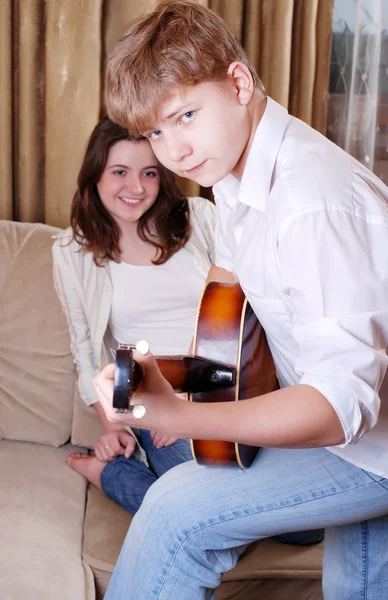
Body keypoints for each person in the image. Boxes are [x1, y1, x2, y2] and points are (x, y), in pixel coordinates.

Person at [93, 1, 388, 598]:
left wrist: (185, 415)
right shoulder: (234, 172)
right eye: (154, 131)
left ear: (238, 82)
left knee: (175, 514)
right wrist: (173, 376)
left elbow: (341, 405)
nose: (171, 151)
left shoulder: (313, 202)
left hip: (372, 443)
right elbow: (228, 291)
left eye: (184, 116)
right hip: (359, 431)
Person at [52, 115, 216, 515]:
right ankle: (112, 471)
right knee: (210, 503)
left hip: (222, 391)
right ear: (95, 176)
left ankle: (113, 476)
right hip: (151, 402)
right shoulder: (73, 253)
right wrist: (116, 428)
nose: (136, 187)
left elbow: (246, 315)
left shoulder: (200, 220)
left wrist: (190, 400)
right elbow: (86, 354)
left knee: (302, 529)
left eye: (149, 173)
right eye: (120, 172)